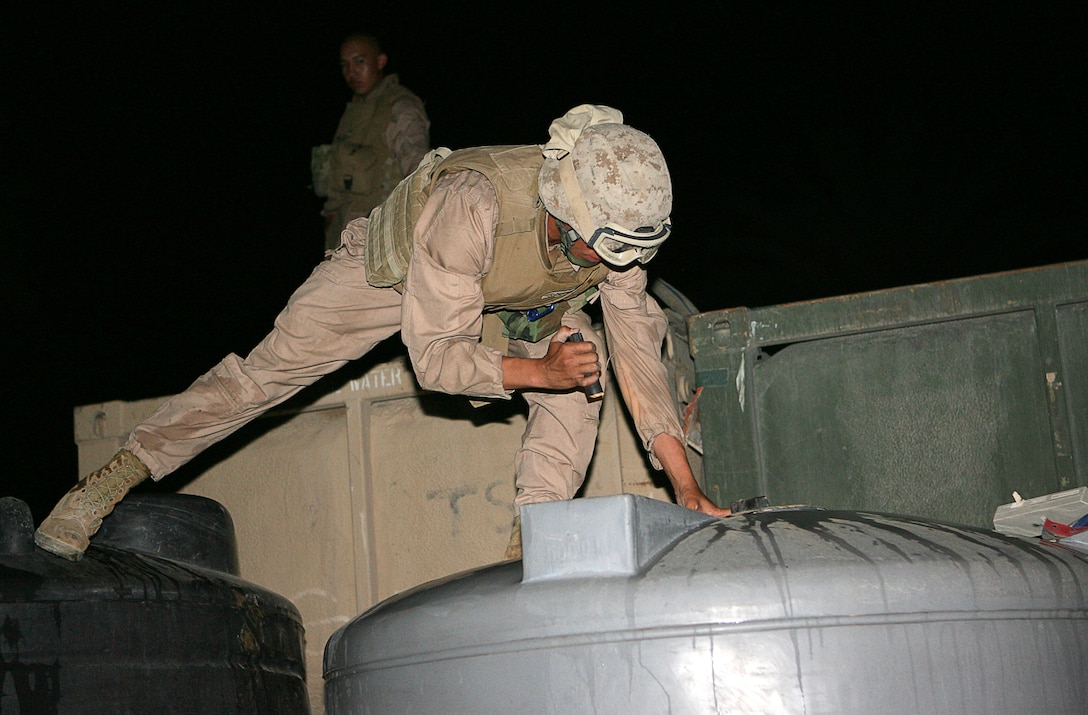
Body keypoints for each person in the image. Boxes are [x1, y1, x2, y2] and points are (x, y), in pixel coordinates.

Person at [35, 104, 731, 562]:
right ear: (562, 211)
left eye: (624, 257)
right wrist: (534, 371)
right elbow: (434, 360)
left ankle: (535, 551)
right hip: (398, 273)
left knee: (582, 379)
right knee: (266, 374)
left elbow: (637, 350)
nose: (611, 268)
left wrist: (683, 483)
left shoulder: (612, 237)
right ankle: (116, 474)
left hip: (511, 298)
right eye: (600, 253)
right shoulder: (474, 202)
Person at [314, 32, 430, 251]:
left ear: (380, 62)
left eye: (359, 61)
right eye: (345, 65)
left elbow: (418, 173)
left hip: (378, 240)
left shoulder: (401, 107)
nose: (351, 72)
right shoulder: (353, 110)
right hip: (342, 238)